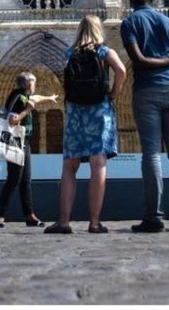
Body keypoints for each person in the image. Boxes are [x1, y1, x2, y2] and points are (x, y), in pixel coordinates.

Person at [120, 0, 169, 232]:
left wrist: (163, 61)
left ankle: (153, 216)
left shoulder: (130, 23)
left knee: (151, 153)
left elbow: (138, 61)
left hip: (146, 91)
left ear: (131, 0)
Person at [45, 16, 126, 234]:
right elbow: (121, 71)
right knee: (97, 164)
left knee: (69, 167)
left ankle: (63, 222)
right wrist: (114, 94)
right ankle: (94, 222)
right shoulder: (104, 52)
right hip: (99, 110)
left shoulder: (69, 53)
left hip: (75, 112)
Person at [0, 72, 58, 228]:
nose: (35, 86)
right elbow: (12, 120)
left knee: (26, 180)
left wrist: (49, 98)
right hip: (15, 140)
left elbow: (35, 99)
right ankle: (0, 215)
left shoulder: (22, 95)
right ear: (29, 84)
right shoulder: (19, 99)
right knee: (14, 179)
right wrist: (28, 110)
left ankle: (29, 215)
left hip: (24, 141)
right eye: (34, 83)